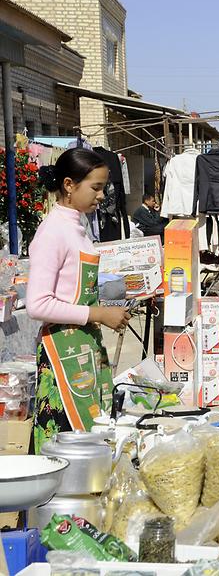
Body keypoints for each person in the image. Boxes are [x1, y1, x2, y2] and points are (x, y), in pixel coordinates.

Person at [27, 149, 131, 452]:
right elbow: (38, 304)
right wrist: (96, 313)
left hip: (84, 345)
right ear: (69, 185)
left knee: (92, 436)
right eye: (95, 188)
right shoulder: (53, 231)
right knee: (67, 445)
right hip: (61, 351)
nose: (101, 196)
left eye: (103, 188)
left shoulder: (76, 225)